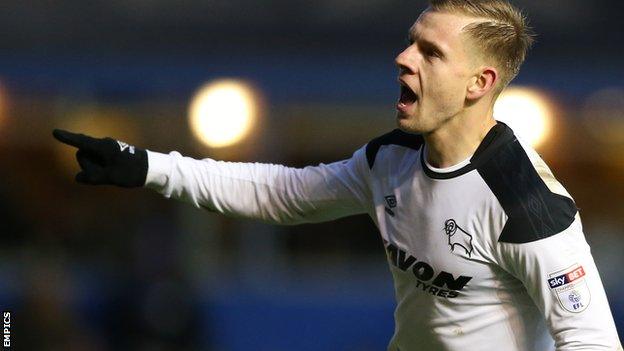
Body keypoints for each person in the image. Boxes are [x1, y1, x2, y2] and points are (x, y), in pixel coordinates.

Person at [53, 0, 622, 350]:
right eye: (409, 41)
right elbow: (285, 195)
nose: (404, 58)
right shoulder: (391, 159)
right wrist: (147, 165)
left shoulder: (528, 206)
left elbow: (591, 341)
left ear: (479, 83)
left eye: (430, 52)